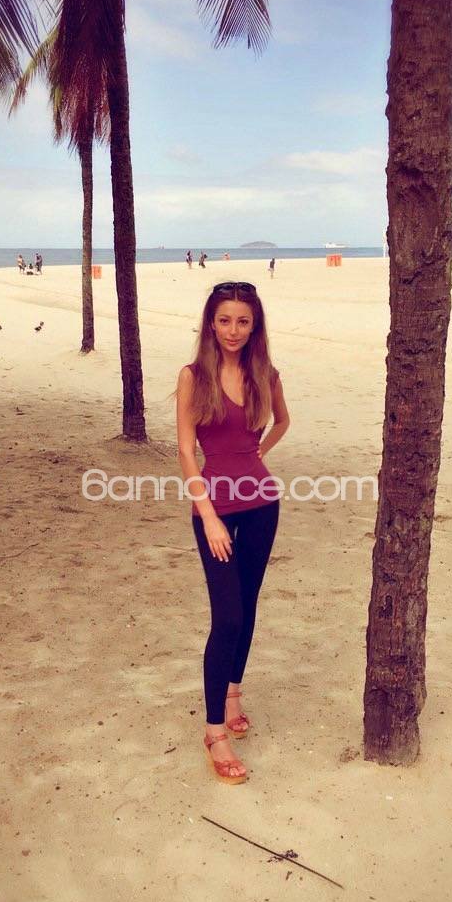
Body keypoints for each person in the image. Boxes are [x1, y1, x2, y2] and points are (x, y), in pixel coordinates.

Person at [176, 281, 290, 784]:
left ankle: (233, 692)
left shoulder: (265, 374)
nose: (233, 330)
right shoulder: (192, 376)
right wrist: (208, 515)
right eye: (224, 320)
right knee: (226, 617)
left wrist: (256, 454)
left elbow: (283, 422)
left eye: (243, 321)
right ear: (211, 322)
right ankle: (214, 732)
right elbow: (186, 451)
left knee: (248, 604)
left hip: (263, 503)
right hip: (215, 508)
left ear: (254, 325)